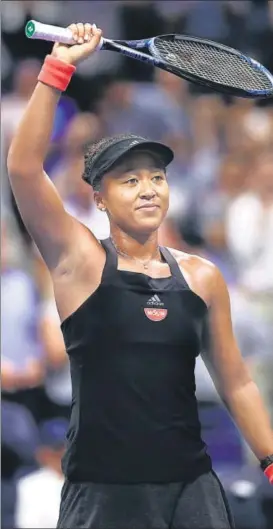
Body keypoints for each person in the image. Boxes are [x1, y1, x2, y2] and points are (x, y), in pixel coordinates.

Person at [7, 22, 273, 529]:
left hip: (193, 489)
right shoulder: (79, 260)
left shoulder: (201, 277)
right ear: (99, 198)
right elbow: (22, 169)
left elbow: (236, 380)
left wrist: (270, 459)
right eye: (130, 180)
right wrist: (58, 66)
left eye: (157, 177)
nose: (149, 189)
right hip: (105, 495)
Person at [15, 418, 67, 528]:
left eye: (69, 447)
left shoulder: (88, 482)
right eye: (58, 448)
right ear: (43, 453)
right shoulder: (30, 485)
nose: (64, 453)